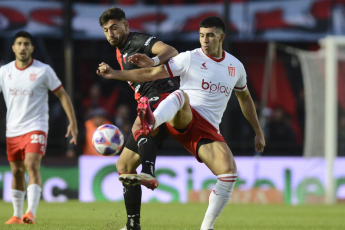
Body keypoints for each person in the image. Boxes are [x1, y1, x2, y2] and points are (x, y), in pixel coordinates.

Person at [97, 16, 265, 230]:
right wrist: (116, 73)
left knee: (229, 172)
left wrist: (258, 132)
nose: (205, 40)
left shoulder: (236, 67)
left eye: (210, 35)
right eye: (202, 35)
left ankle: (206, 227)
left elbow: (245, 99)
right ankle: (152, 122)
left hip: (207, 128)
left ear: (222, 37)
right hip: (181, 116)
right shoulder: (190, 58)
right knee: (180, 96)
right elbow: (151, 73)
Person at [98, 7, 179, 230]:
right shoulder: (120, 50)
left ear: (126, 25)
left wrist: (153, 61)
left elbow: (170, 51)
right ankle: (133, 225)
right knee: (123, 165)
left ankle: (149, 173)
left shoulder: (138, 40)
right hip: (148, 98)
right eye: (106, 30)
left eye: (114, 27)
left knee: (140, 121)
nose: (111, 33)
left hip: (163, 93)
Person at [0, 31, 78, 225]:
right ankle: (17, 215)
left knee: (31, 164)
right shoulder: (4, 71)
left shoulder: (43, 70)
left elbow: (62, 95)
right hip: (13, 129)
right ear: (14, 48)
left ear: (32, 48)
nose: (23, 47)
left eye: (27, 44)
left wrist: (73, 123)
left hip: (37, 126)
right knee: (17, 171)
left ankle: (30, 213)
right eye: (19, 43)